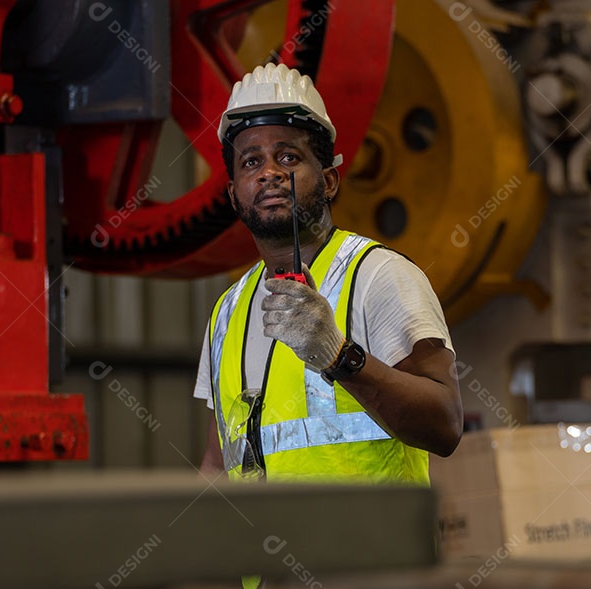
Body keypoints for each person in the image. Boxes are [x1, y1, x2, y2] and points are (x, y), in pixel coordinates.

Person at [193, 63, 463, 485]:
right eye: (250, 161)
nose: (269, 172)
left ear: (330, 180)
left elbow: (445, 425)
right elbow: (218, 462)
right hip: (260, 550)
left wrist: (340, 356)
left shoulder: (379, 276)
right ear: (233, 195)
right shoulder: (228, 311)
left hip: (376, 550)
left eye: (289, 157)